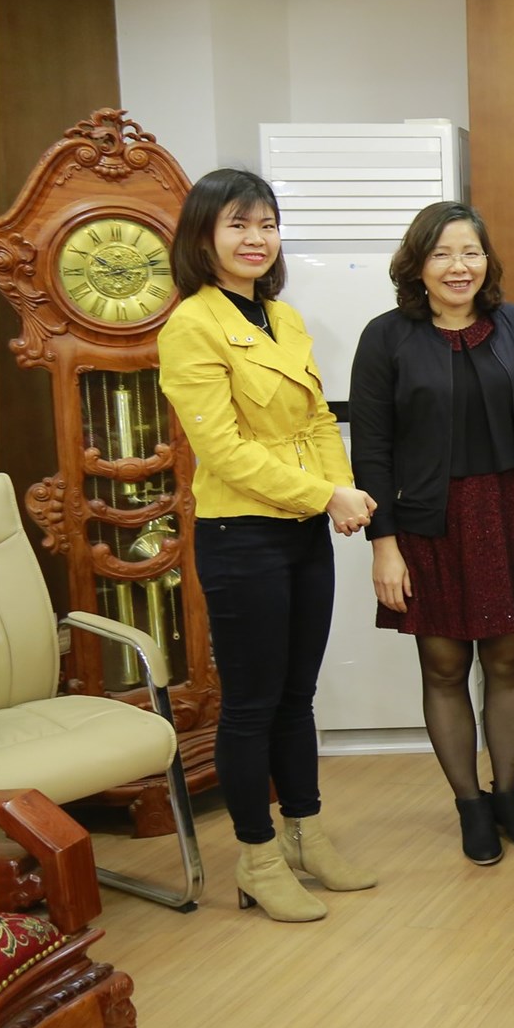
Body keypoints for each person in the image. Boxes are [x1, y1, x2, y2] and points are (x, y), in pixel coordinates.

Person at [158, 169, 378, 923]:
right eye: (238, 225)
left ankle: (304, 837)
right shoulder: (190, 324)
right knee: (251, 705)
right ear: (203, 237)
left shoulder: (283, 319)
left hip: (303, 530)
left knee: (296, 696)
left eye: (266, 225)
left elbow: (317, 423)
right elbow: (220, 451)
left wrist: (338, 493)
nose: (256, 239)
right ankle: (255, 858)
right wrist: (325, 494)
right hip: (240, 534)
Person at [349, 202, 514, 866]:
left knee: (508, 660)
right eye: (443, 253)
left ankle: (508, 795)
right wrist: (382, 545)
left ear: (486, 261)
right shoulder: (385, 338)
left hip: (511, 516)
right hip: (428, 524)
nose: (458, 266)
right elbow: (372, 452)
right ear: (417, 264)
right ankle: (469, 804)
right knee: (444, 665)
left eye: (470, 252)